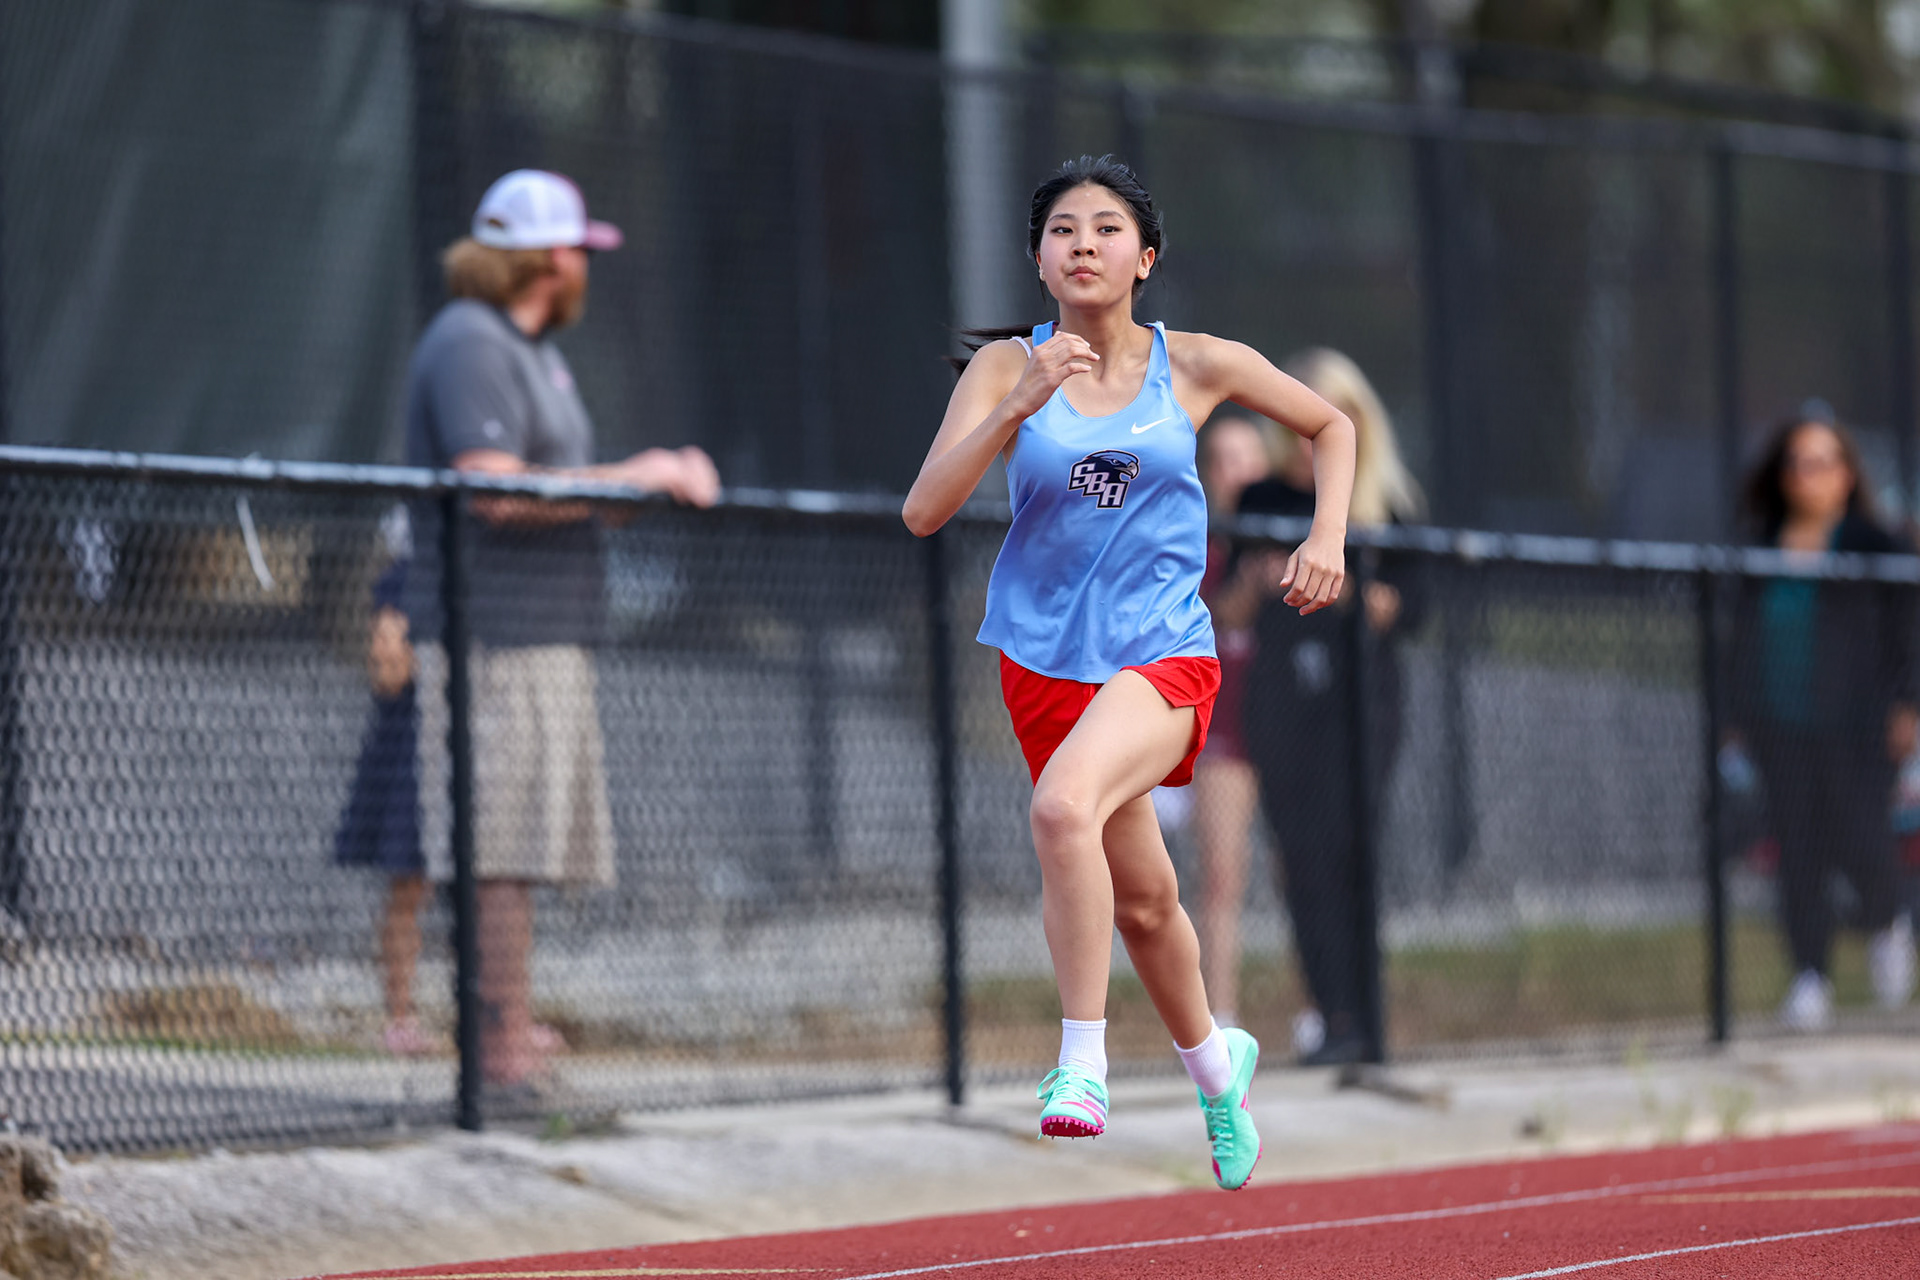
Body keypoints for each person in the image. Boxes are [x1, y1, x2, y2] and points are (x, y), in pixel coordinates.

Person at [902, 155, 1356, 1191]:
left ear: (1144, 256)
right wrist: (1017, 402)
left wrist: (1325, 536)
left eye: (1107, 229)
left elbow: (1333, 424)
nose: (1084, 245)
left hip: (1160, 653)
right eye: (1064, 230)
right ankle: (1216, 1068)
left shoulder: (1191, 364)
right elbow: (924, 509)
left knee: (1062, 811)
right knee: (1147, 900)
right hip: (1043, 663)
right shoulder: (1004, 372)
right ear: (1038, 257)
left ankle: (1080, 1060)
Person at [405, 170, 720, 1087]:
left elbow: (571, 497)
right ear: (547, 257)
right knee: (496, 843)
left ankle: (509, 1030)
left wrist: (649, 482)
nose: (586, 265)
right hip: (491, 638)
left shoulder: (532, 349)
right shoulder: (470, 338)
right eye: (579, 248)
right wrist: (645, 469)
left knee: (523, 846)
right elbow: (497, 488)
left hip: (546, 633)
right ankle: (494, 1049)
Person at [1237, 348, 1426, 1068]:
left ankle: (1364, 1015)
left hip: (1360, 706)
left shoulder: (1389, 506)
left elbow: (1411, 611)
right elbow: (1228, 601)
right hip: (1284, 697)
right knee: (1300, 861)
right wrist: (1255, 582)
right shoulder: (1261, 501)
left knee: (1351, 856)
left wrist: (1349, 586)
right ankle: (1329, 1012)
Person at [1732, 411, 1917, 1031]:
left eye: (1818, 463)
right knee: (1798, 852)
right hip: (1783, 726)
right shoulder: (1763, 545)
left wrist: (1908, 703)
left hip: (1856, 727)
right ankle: (1810, 974)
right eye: (1794, 463)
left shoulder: (1874, 544)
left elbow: (1908, 631)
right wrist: (1738, 715)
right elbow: (1740, 636)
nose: (1803, 476)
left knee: (1861, 839)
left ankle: (1888, 920)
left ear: (1845, 474)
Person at [1190, 407, 1288, 1029]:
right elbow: (1209, 617)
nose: (1240, 473)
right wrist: (1244, 594)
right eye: (1226, 461)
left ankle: (1324, 1013)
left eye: (1251, 459)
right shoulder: (1193, 548)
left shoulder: (1297, 539)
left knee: (1308, 872)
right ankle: (1217, 1024)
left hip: (1288, 731)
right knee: (1222, 877)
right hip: (1223, 736)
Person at [333, 530, 433, 1056]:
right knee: (409, 885)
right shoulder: (407, 578)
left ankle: (497, 1017)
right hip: (413, 748)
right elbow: (389, 669)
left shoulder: (489, 569)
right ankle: (401, 1018)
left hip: (476, 742)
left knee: (492, 886)